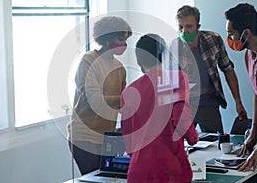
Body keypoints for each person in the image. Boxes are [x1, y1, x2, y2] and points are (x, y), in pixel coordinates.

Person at [121, 34, 198, 182]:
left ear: (138, 60)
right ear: (164, 55)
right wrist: (193, 137)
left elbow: (128, 137)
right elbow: (181, 120)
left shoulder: (128, 92)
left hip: (138, 171)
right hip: (168, 169)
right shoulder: (176, 79)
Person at [67, 16, 132, 175]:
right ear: (107, 38)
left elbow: (122, 106)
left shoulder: (119, 68)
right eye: (120, 39)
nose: (124, 44)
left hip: (106, 138)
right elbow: (94, 100)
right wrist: (127, 99)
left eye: (126, 39)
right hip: (84, 136)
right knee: (95, 177)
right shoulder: (88, 60)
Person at [169, 5, 247, 133]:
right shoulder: (173, 48)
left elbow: (228, 70)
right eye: (180, 27)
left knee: (216, 145)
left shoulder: (213, 40)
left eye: (189, 26)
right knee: (180, 147)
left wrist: (238, 101)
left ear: (198, 27)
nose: (184, 31)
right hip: (185, 107)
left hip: (209, 103)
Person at [225, 3, 257, 172]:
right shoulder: (249, 55)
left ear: (246, 33)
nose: (230, 39)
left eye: (231, 34)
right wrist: (254, 131)